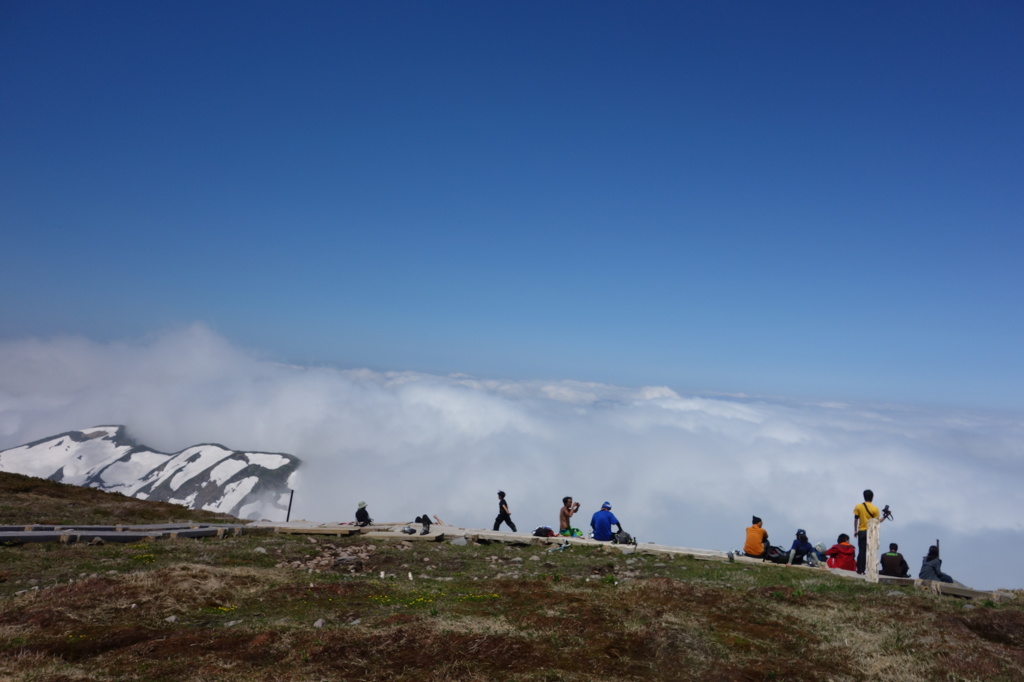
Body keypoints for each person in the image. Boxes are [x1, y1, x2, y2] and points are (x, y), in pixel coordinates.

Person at [853, 489, 881, 574]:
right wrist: (886, 516)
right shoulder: (875, 509)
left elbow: (855, 519)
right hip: (871, 532)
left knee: (861, 551)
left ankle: (860, 570)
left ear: (864, 496)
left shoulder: (858, 506)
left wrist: (855, 530)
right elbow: (877, 522)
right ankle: (868, 570)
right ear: (872, 497)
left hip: (861, 531)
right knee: (870, 551)